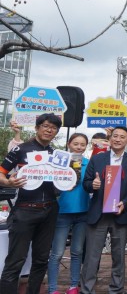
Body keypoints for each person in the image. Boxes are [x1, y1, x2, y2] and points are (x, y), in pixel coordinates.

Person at [0, 113, 62, 294]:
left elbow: (65, 179)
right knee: (15, 261)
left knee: (42, 259)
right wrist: (8, 182)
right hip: (25, 210)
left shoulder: (56, 154)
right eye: (45, 126)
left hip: (50, 210)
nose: (49, 130)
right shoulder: (21, 149)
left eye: (53, 128)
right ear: (37, 128)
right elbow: (1, 173)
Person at [80, 126, 127, 294]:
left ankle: (116, 289)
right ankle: (87, 290)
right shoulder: (97, 159)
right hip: (98, 213)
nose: (118, 139)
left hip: (120, 213)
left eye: (122, 137)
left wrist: (126, 203)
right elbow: (86, 183)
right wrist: (92, 185)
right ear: (110, 138)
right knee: (92, 257)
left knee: (119, 256)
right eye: (115, 136)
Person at [47, 133, 91, 294]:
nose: (79, 147)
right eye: (76, 144)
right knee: (57, 253)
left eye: (82, 144)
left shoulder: (89, 163)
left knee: (77, 251)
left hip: (84, 212)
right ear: (68, 144)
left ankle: (73, 286)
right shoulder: (59, 162)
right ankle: (52, 288)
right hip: (62, 212)